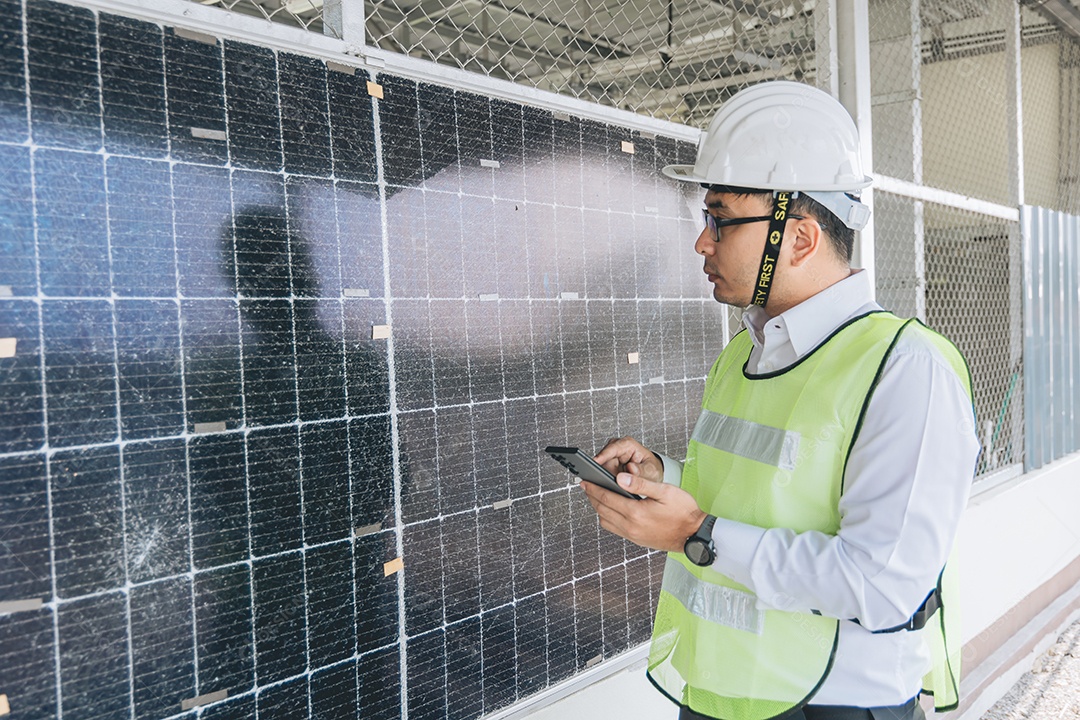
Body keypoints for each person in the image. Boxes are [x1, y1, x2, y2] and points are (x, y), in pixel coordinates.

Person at [582, 81, 980, 720]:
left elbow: (880, 586)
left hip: (834, 704)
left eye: (720, 220)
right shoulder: (744, 353)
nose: (702, 243)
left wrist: (694, 534)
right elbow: (759, 492)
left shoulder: (906, 370)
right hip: (723, 690)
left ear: (798, 238)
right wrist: (668, 481)